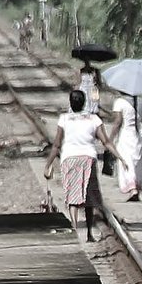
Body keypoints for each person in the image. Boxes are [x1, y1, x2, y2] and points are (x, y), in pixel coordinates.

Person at [42, 89, 117, 242]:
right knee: (89, 198)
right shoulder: (94, 119)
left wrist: (48, 164)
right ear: (84, 103)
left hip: (69, 158)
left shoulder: (64, 119)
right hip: (88, 158)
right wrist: (119, 157)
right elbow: (106, 141)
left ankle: (75, 230)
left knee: (73, 196)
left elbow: (56, 145)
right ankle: (89, 234)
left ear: (70, 103)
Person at [109, 93, 142, 202]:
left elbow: (118, 122)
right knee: (137, 161)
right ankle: (136, 186)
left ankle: (132, 189)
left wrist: (110, 139)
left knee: (126, 160)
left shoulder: (120, 102)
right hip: (139, 133)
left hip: (126, 134)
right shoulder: (141, 102)